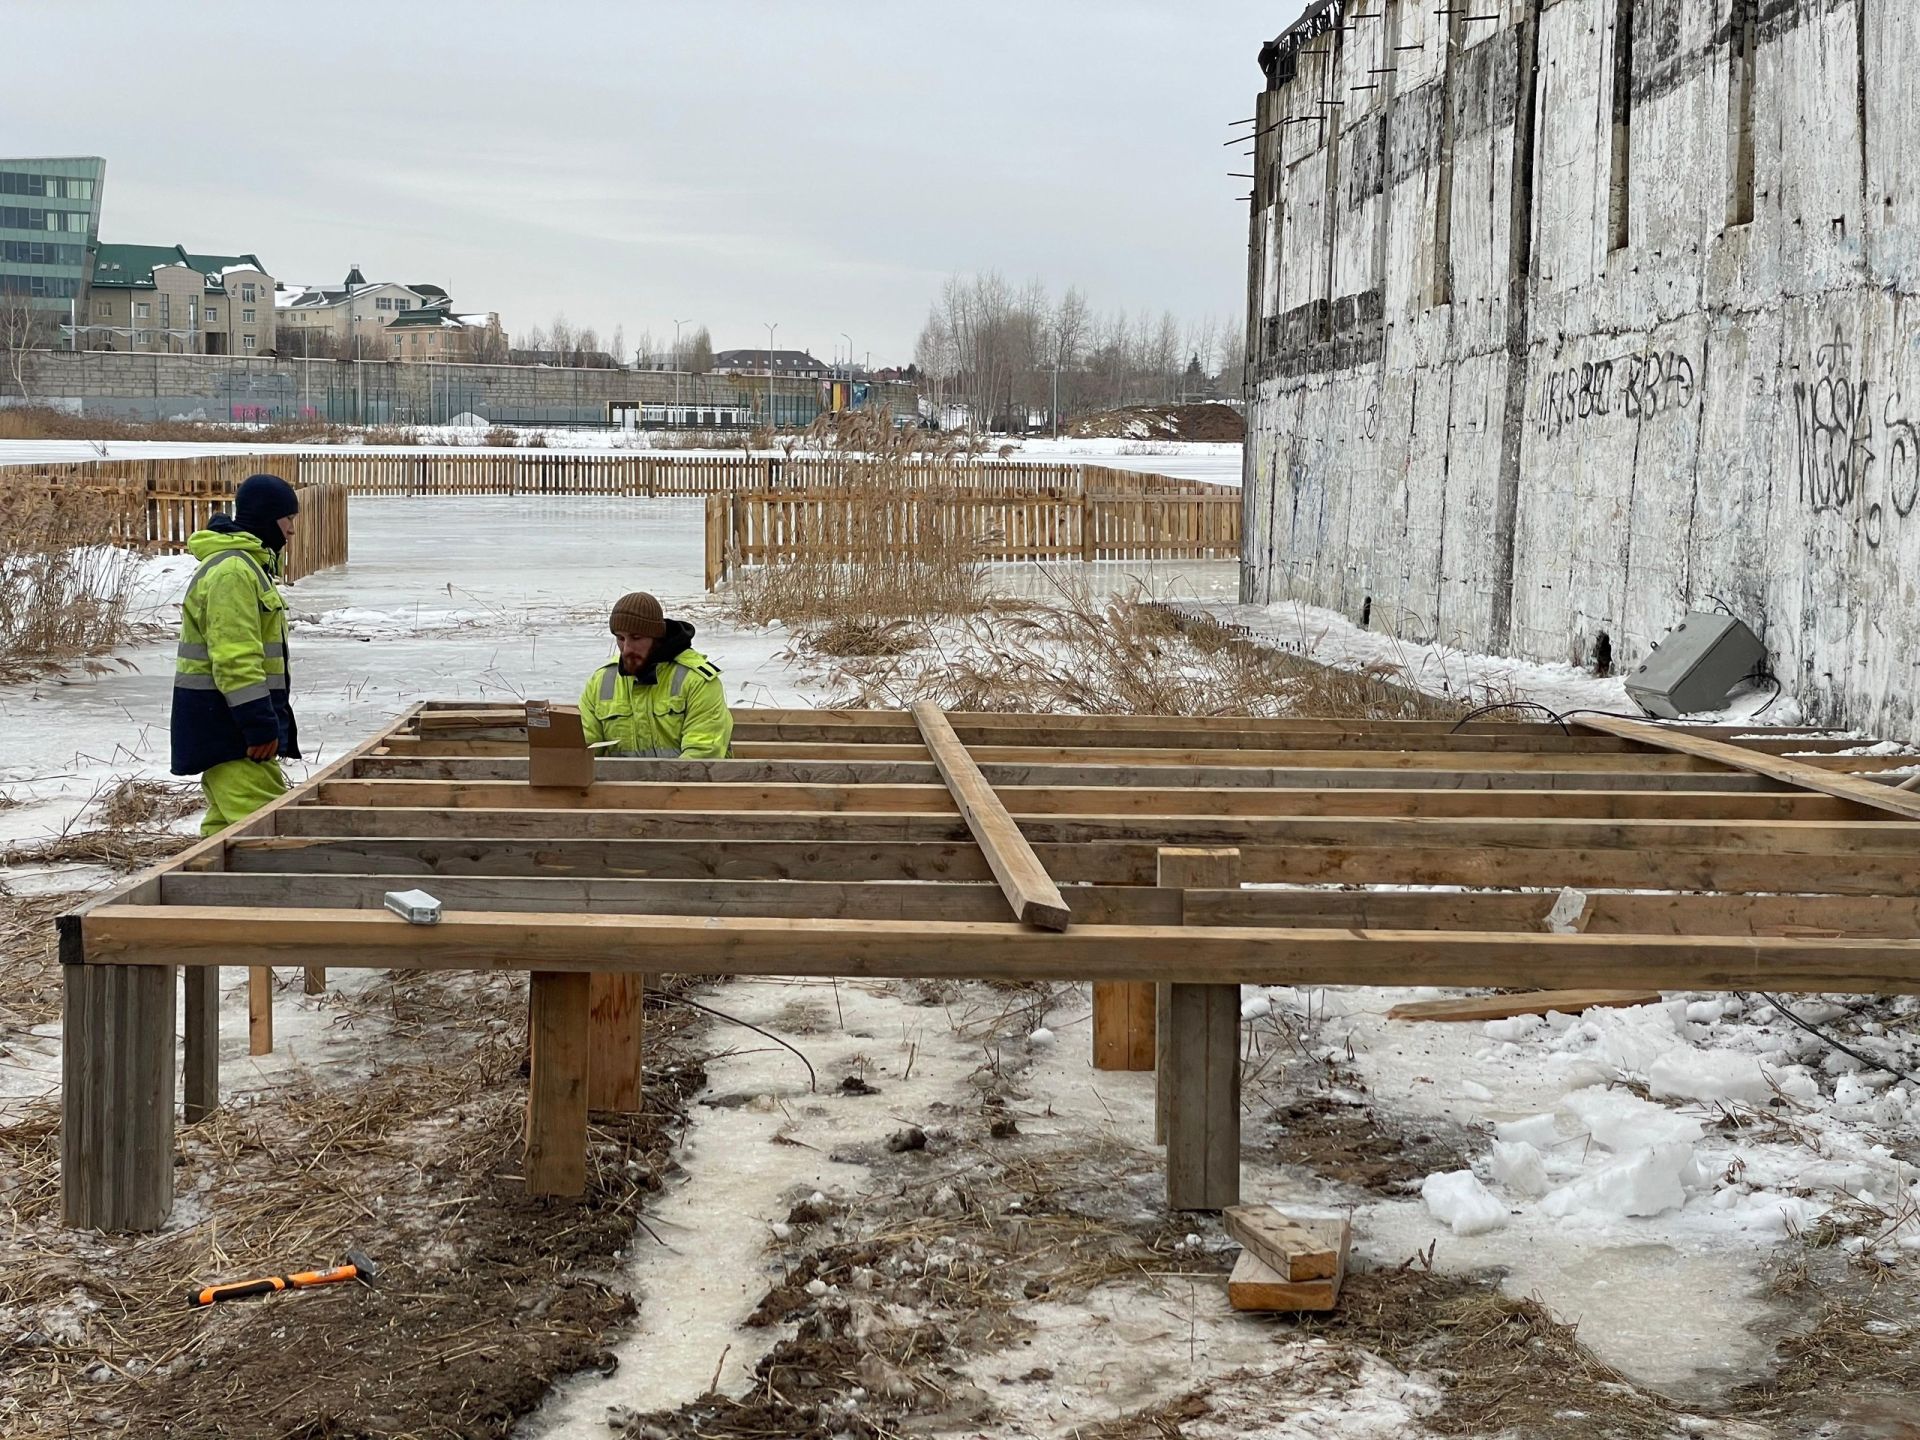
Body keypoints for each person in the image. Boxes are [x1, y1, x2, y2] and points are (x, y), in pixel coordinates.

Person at [170, 473, 302, 835]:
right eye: (287, 519)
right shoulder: (233, 572)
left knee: (223, 836)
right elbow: (235, 658)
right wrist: (259, 726)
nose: (291, 531)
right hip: (231, 731)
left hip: (227, 728)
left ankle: (199, 886)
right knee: (268, 832)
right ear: (266, 519)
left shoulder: (246, 568)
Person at [580, 591, 732, 759]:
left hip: (684, 783)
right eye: (620, 638)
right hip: (620, 784)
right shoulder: (601, 682)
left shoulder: (696, 680)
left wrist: (657, 785)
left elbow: (703, 754)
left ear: (657, 638)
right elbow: (583, 750)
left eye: (636, 638)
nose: (627, 649)